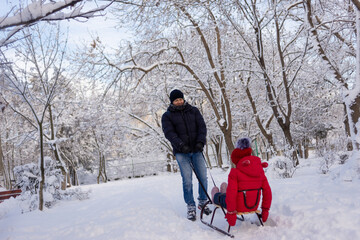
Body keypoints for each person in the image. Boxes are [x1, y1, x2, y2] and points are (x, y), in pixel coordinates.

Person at [161, 89, 211, 221]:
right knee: (187, 180)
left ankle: (203, 202)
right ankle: (190, 206)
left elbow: (202, 127)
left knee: (203, 177)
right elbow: (169, 133)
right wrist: (181, 145)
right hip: (181, 152)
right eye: (176, 100)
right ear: (172, 102)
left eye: (180, 99)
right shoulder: (167, 116)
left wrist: (201, 142)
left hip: (196, 149)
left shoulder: (193, 111)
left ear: (183, 99)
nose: (179, 102)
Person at [211, 137, 272, 226]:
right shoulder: (260, 172)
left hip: (237, 207)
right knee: (225, 188)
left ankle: (215, 195)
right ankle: (223, 189)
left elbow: (232, 194)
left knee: (216, 193)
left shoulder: (234, 173)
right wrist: (265, 210)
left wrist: (231, 213)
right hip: (253, 205)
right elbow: (267, 192)